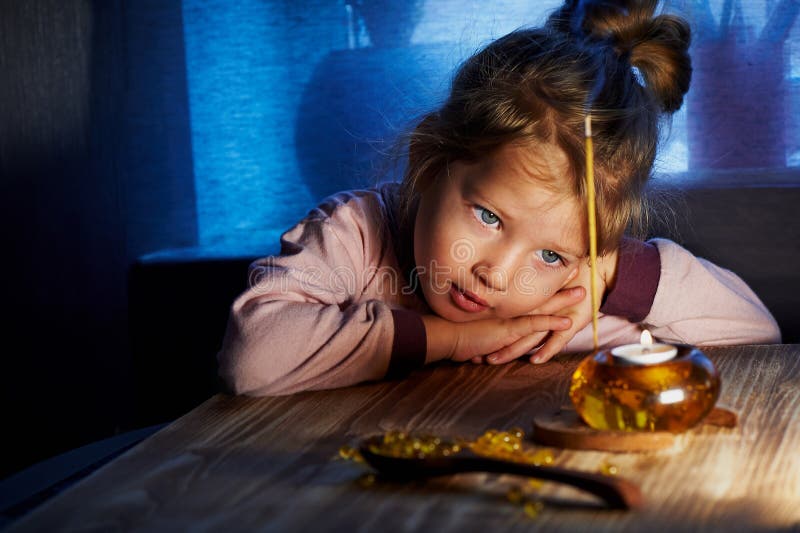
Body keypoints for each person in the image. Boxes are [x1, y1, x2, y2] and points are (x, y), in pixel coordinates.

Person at [218, 0, 781, 396]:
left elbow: (755, 332)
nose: (497, 274)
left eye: (551, 253)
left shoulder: (566, 296)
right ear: (430, 162)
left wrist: (606, 273)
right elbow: (252, 359)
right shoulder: (355, 234)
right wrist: (452, 339)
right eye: (488, 216)